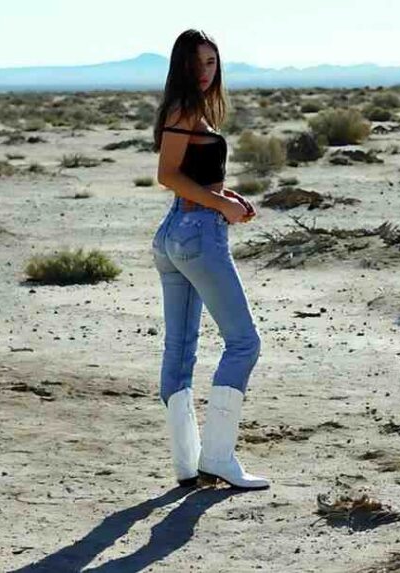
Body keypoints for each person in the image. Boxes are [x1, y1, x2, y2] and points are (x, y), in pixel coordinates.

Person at [149, 29, 268, 490]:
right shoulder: (183, 109)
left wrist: (226, 195)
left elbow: (191, 175)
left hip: (177, 234)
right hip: (196, 234)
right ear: (181, 65)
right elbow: (167, 175)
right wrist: (220, 206)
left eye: (212, 63)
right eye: (197, 63)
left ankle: (187, 463)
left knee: (180, 351)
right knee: (244, 343)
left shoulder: (189, 110)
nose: (205, 72)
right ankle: (217, 457)